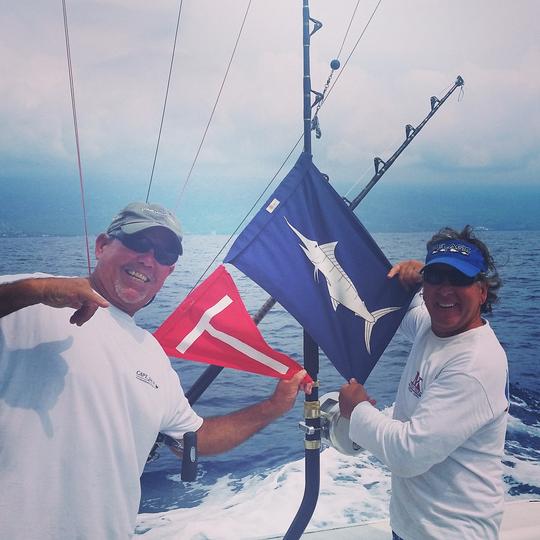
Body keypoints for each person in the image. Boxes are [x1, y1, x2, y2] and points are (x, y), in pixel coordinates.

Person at [0, 202, 311, 539]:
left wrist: (272, 407)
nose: (148, 259)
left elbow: (193, 439)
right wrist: (36, 291)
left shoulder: (152, 356)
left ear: (169, 272)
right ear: (102, 245)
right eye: (137, 242)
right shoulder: (30, 297)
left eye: (163, 254)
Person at [339, 226, 508, 540]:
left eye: (459, 279)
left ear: (482, 291)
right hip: (412, 526)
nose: (446, 290)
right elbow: (402, 312)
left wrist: (357, 409)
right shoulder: (431, 328)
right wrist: (408, 277)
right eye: (436, 278)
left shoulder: (474, 363)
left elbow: (408, 454)